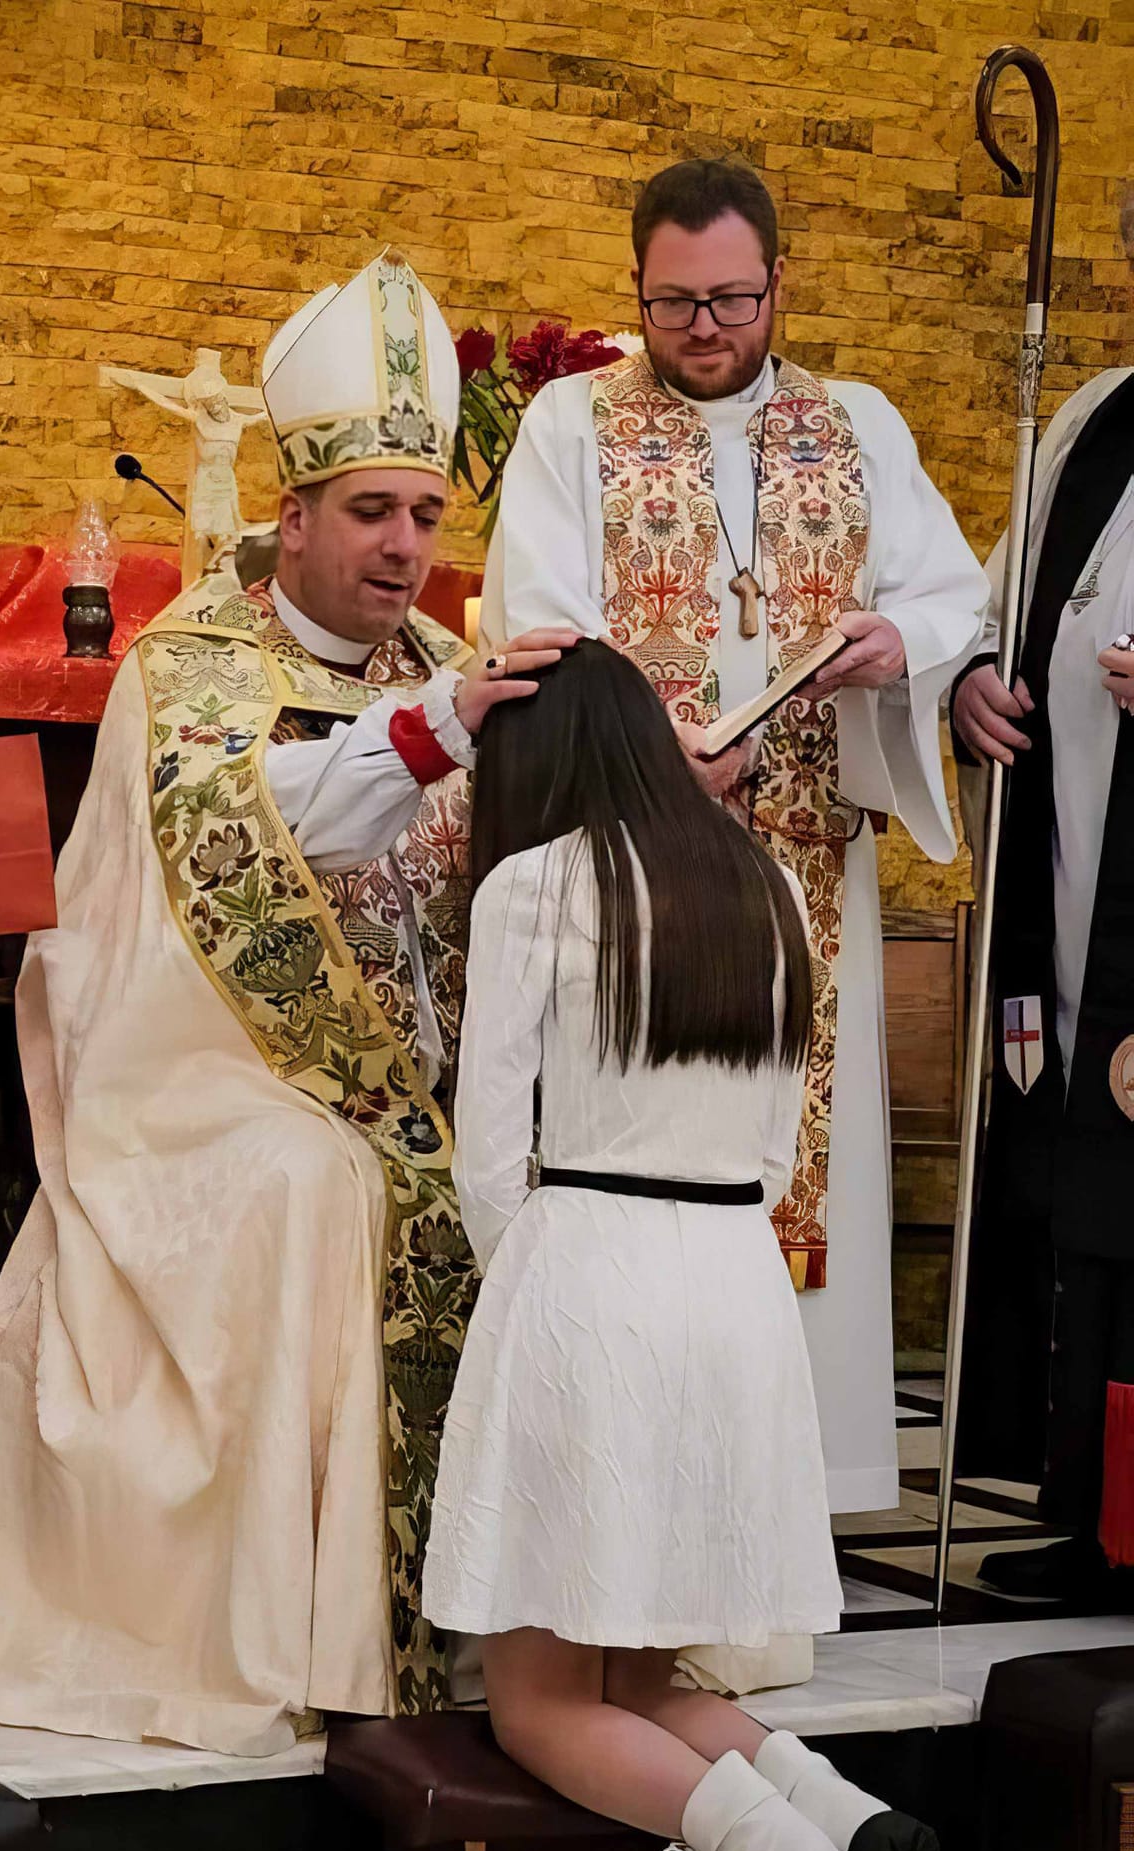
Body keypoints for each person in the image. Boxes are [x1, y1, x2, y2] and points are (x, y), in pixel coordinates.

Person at [0, 251, 562, 1755]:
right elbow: (250, 843)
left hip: (427, 1069)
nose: (405, 547)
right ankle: (323, 1636)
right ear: (293, 518)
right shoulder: (196, 664)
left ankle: (523, 1629)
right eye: (370, 513)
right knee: (324, 1185)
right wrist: (431, 732)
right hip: (203, 1080)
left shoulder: (449, 662)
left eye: (423, 514)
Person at [422, 639, 937, 1851]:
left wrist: (522, 1292)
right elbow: (780, 1148)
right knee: (647, 1674)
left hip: (592, 1265)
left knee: (534, 1699)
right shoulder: (762, 881)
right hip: (735, 1283)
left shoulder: (536, 884)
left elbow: (486, 1149)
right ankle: (856, 1821)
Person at [483, 157, 990, 1532]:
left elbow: (951, 594)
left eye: (731, 301)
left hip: (810, 843)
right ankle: (635, 1485)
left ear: (780, 282)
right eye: (674, 305)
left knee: (801, 1148)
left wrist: (907, 644)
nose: (705, 330)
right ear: (636, 289)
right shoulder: (571, 425)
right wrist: (661, 759)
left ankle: (787, 1493)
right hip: (636, 857)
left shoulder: (858, 422)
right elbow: (539, 619)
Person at [952, 263, 1134, 1601]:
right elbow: (991, 600)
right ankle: (1092, 1504)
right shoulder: (1093, 422)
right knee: (1086, 1165)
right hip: (1076, 885)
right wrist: (966, 681)